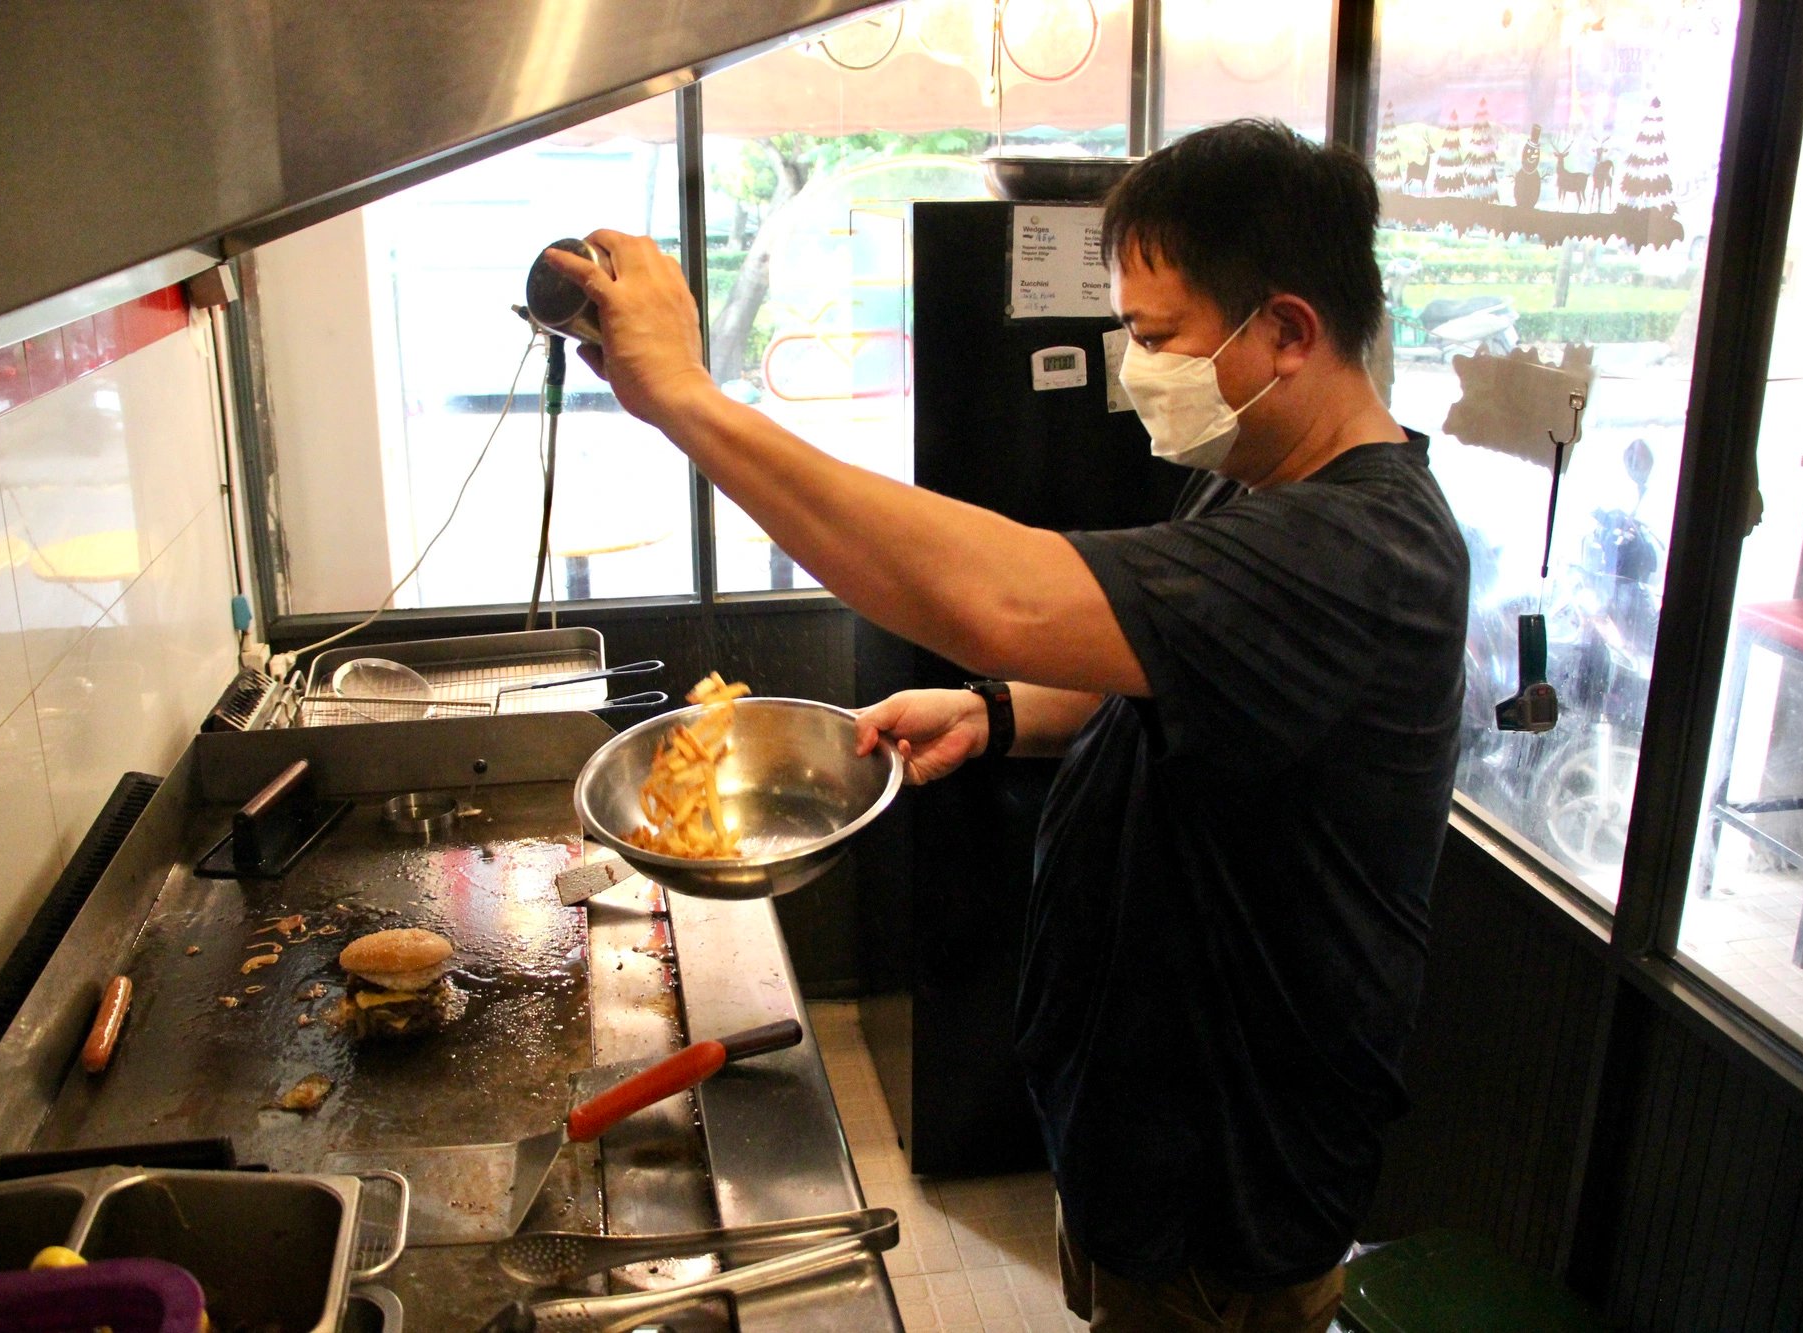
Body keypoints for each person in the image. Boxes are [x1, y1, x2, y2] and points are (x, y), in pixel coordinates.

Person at [546, 119, 1468, 1333]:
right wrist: (990, 712)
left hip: (1228, 1192)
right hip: (1134, 1137)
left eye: (1154, 337)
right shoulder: (1254, 477)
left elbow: (992, 596)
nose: (1133, 366)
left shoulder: (1361, 550)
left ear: (1288, 332)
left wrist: (688, 402)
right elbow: (1152, 672)